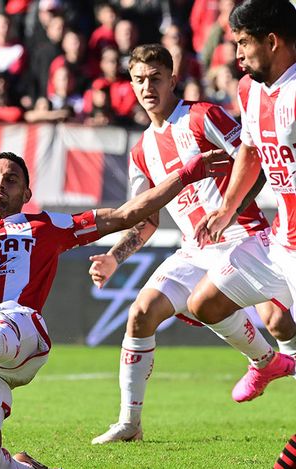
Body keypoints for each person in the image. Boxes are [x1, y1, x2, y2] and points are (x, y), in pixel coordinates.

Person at [0, 142, 230, 468]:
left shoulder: (46, 227)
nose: (0, 184)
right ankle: (23, 464)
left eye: (11, 180)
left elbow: (124, 215)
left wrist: (188, 174)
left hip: (21, 329)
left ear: (25, 194)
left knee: (5, 320)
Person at [89, 44, 296, 444]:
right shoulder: (140, 151)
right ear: (130, 84)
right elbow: (146, 222)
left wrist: (228, 212)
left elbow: (257, 165)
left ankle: (269, 362)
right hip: (194, 249)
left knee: (278, 321)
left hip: (245, 236)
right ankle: (129, 424)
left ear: (172, 79)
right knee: (141, 313)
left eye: (155, 78)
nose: (147, 87)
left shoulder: (203, 117)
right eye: (139, 80)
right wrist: (115, 257)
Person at [189, 0, 296, 403]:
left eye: (244, 42)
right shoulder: (249, 89)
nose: (236, 53)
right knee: (205, 303)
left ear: (272, 41)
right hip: (279, 241)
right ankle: (266, 363)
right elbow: (249, 153)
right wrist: (226, 209)